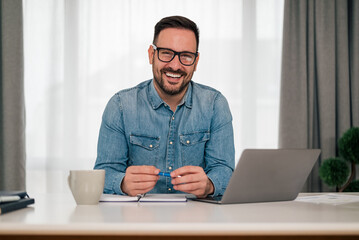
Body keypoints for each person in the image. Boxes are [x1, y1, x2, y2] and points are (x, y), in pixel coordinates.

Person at [94, 15, 235, 198]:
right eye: (167, 53)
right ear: (151, 55)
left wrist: (209, 185)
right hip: (136, 220)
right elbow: (104, 173)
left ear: (196, 61)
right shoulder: (120, 106)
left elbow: (225, 171)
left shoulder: (215, 105)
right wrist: (122, 183)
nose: (175, 65)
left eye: (186, 56)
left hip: (197, 220)